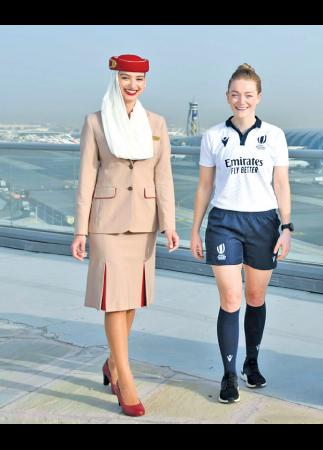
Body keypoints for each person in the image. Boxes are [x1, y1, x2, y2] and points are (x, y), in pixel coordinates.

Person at [71, 54, 179, 417]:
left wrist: (170, 224)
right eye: (125, 78)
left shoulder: (157, 123)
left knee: (131, 300)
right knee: (114, 301)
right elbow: (87, 177)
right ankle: (126, 379)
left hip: (144, 223)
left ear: (146, 83)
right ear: (115, 80)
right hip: (107, 223)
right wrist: (80, 230)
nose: (132, 85)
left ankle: (112, 363)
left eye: (139, 79)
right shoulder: (96, 122)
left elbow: (163, 177)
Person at [190, 63, 292, 404]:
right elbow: (205, 186)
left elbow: (281, 183)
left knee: (255, 298)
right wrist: (195, 229)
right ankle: (229, 374)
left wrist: (286, 227)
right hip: (224, 223)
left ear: (259, 97)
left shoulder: (274, 135)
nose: (241, 100)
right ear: (227, 96)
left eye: (248, 95)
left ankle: (252, 362)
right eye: (235, 94)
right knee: (230, 299)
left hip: (263, 223)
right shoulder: (213, 136)